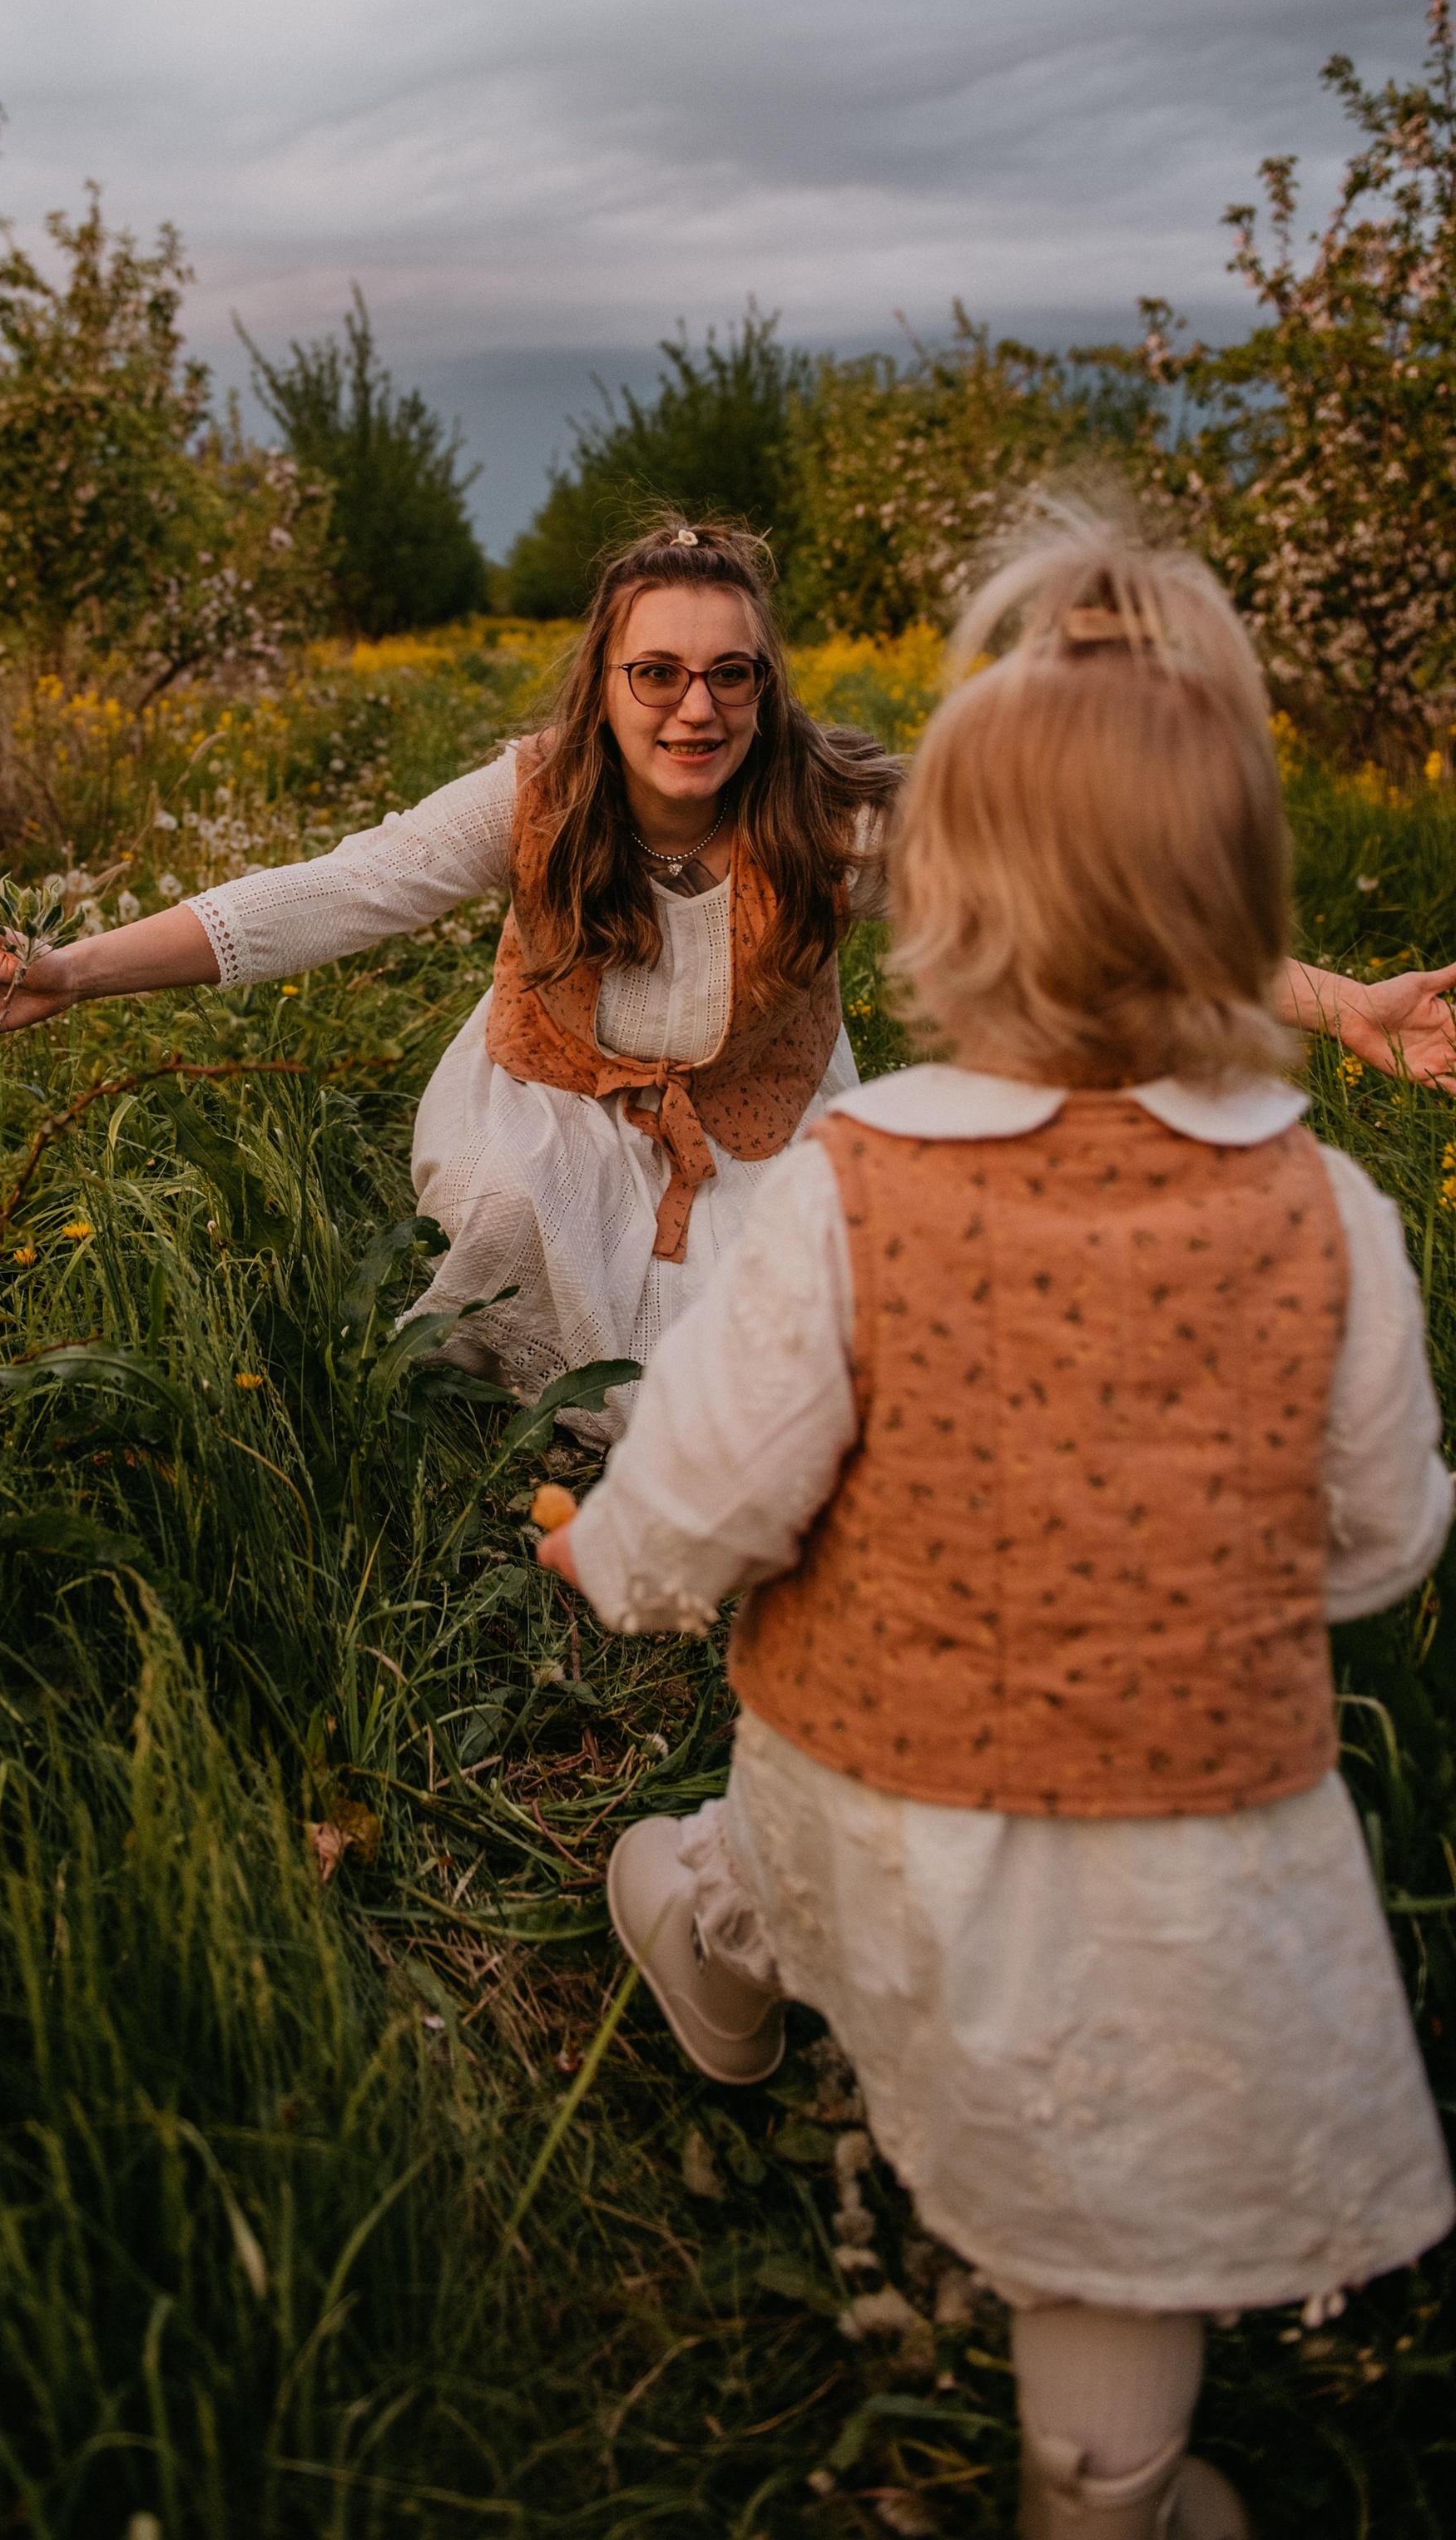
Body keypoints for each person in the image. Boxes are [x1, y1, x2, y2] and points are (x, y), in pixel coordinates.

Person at [536, 521, 1454, 2539]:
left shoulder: (856, 1190)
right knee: (1105, 2218)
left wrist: (607, 1563)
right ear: (1236, 914)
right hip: (1182, 1840)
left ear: (932, 900)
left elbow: (706, 1483)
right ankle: (1099, 2499)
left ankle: (706, 1945)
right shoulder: (1329, 1217)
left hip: (873, 1768)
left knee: (811, 1839)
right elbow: (1380, 1539)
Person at [0, 514, 1456, 1442]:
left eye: (728, 672)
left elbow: (1098, 913)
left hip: (756, 1126)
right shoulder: (536, 790)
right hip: (551, 1101)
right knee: (522, 1236)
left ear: (765, 682)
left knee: (777, 1344)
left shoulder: (838, 811)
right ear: (608, 678)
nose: (694, 706)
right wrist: (73, 972)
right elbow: (330, 896)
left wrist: (1345, 1007)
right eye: (658, 672)